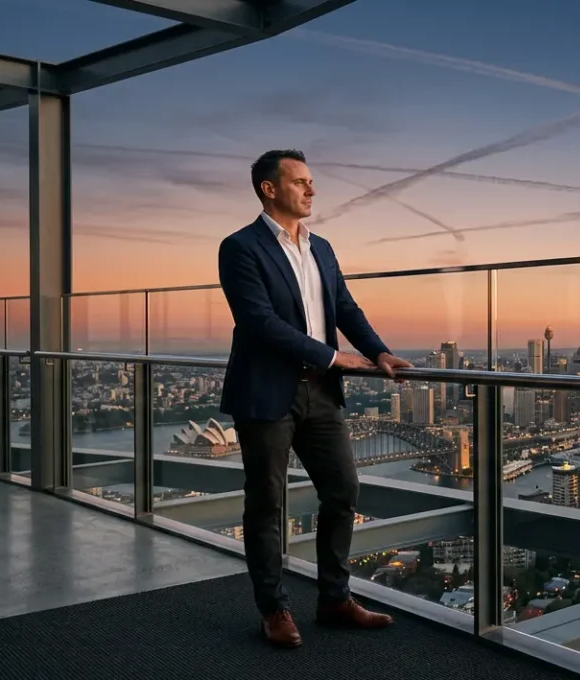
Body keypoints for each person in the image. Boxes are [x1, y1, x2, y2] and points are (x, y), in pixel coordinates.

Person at [217, 149, 412, 648]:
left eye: (310, 182)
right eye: (301, 181)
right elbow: (258, 322)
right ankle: (274, 610)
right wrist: (334, 357)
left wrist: (379, 352)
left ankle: (334, 600)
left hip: (321, 394)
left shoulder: (322, 247)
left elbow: (344, 305)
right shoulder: (240, 247)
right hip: (267, 391)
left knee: (343, 490)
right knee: (266, 504)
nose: (312, 190)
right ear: (269, 188)